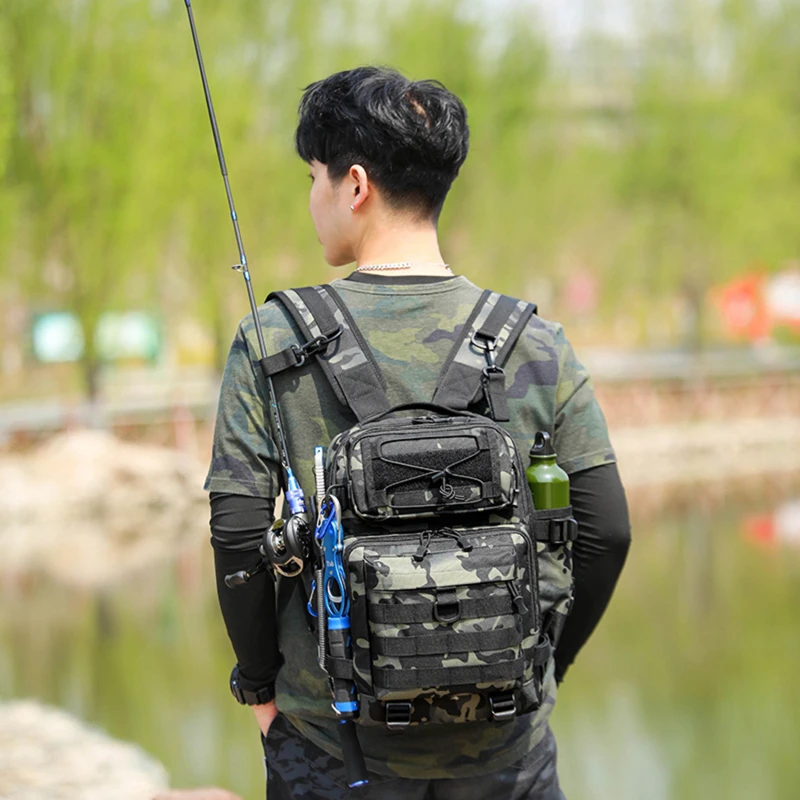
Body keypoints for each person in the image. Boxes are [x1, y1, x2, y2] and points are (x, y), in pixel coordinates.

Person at [205, 66, 630, 800]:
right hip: (508, 752)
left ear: (355, 186)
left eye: (314, 177)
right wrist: (541, 667)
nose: (312, 199)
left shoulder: (272, 338)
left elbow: (238, 533)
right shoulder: (537, 342)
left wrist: (262, 692)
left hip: (333, 748)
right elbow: (608, 530)